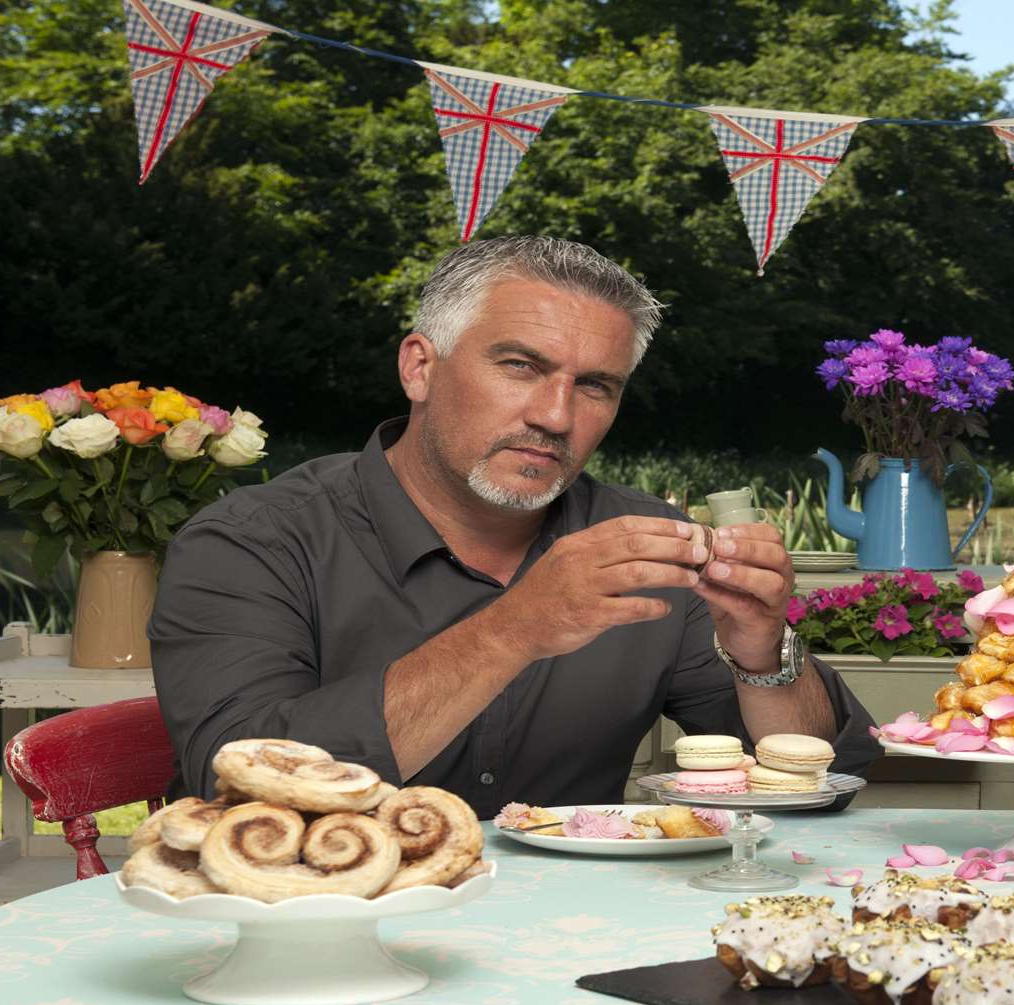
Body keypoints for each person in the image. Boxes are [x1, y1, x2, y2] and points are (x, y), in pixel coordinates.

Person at [149, 235, 879, 816]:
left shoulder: (650, 543)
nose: (555, 417)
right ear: (419, 368)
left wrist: (761, 653)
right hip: (313, 930)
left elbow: (817, 776)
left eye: (595, 386)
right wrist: (514, 628)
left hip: (567, 946)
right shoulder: (252, 542)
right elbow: (239, 782)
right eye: (521, 366)